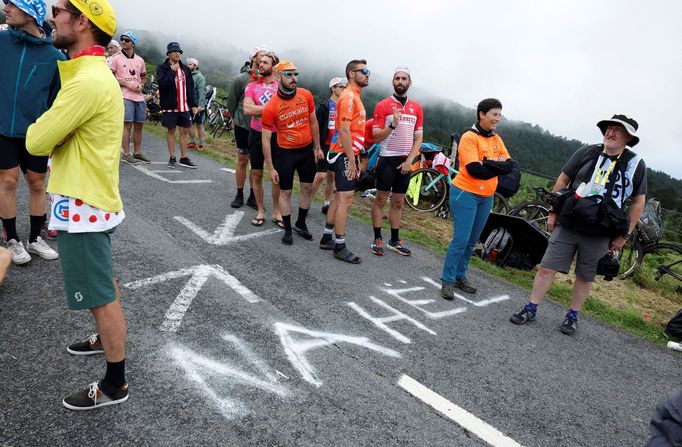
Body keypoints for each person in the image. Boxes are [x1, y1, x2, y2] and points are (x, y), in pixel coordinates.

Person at [26, 0, 129, 410]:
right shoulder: (90, 72)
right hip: (92, 197)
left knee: (100, 294)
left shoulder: (87, 80)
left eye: (59, 9)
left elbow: (35, 140)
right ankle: (103, 338)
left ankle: (115, 384)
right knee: (103, 285)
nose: (52, 14)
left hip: (83, 204)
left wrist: (52, 131)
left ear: (82, 21)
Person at [510, 114, 646, 335]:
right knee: (547, 267)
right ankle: (531, 308)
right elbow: (563, 180)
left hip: (602, 229)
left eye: (617, 131)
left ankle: (572, 316)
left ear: (628, 138)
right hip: (570, 220)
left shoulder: (635, 164)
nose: (610, 133)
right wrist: (553, 212)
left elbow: (638, 202)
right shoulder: (586, 152)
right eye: (609, 129)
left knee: (585, 275)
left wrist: (625, 235)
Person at [0, 0, 63, 265]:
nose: (6, 9)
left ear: (31, 13)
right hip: (2, 128)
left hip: (36, 133)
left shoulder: (55, 57)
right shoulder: (1, 41)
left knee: (37, 184)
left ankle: (35, 238)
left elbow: (56, 99)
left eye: (12, 5)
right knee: (8, 181)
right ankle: (12, 239)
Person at [440, 98, 514, 296]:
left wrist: (487, 163)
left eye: (499, 114)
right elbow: (474, 170)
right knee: (461, 239)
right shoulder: (469, 137)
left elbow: (510, 166)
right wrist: (493, 166)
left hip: (486, 196)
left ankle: (459, 276)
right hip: (466, 193)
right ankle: (447, 279)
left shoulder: (496, 139)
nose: (498, 119)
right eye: (494, 114)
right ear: (482, 114)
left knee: (473, 241)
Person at [261, 61, 323, 245]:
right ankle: (287, 229)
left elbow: (313, 122)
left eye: (295, 74)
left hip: (305, 151)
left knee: (306, 188)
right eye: (289, 74)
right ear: (278, 76)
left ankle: (301, 224)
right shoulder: (271, 106)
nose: (294, 78)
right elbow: (265, 139)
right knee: (286, 192)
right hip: (285, 153)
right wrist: (271, 168)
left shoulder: (306, 95)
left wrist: (317, 147)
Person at [318, 59, 370, 264]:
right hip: (344, 154)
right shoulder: (349, 96)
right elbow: (345, 129)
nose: (367, 74)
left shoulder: (354, 95)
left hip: (346, 152)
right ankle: (340, 245)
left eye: (368, 71)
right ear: (351, 74)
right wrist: (352, 159)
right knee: (346, 199)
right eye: (363, 71)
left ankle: (326, 237)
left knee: (340, 197)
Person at [370, 66, 424, 257]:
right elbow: (375, 137)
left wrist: (410, 160)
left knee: (399, 202)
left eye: (404, 79)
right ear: (393, 82)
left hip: (406, 162)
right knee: (381, 199)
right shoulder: (383, 105)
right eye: (397, 79)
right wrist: (392, 124)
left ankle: (394, 240)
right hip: (387, 159)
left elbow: (418, 138)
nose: (400, 82)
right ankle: (377, 238)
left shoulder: (416, 108)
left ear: (410, 82)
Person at [243, 51, 282, 227]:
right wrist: (271, 108)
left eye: (265, 63)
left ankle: (277, 211)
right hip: (256, 133)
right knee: (256, 173)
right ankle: (260, 210)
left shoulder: (280, 87)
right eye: (260, 62)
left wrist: (258, 108)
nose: (261, 65)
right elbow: (247, 110)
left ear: (274, 67)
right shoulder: (252, 86)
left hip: (276, 135)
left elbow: (283, 110)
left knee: (277, 175)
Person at [226, 47, 265, 210]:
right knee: (242, 160)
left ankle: (253, 196)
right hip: (243, 126)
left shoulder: (268, 81)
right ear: (254, 58)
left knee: (257, 165)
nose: (264, 58)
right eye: (261, 55)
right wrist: (236, 120)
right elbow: (231, 103)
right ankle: (239, 193)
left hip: (261, 129)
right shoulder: (241, 79)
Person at [109, 30, 150, 164]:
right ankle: (126, 154)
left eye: (126, 40)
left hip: (138, 97)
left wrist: (141, 85)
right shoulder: (116, 58)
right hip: (124, 95)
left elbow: (144, 78)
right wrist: (126, 83)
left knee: (139, 125)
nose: (123, 42)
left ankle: (137, 152)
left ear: (133, 43)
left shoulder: (140, 60)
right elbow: (111, 76)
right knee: (127, 125)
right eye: (122, 39)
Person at [157, 41, 198, 169]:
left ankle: (184, 157)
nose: (177, 53)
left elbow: (191, 87)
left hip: (184, 105)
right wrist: (171, 71)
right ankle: (172, 157)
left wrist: (194, 104)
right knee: (171, 130)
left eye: (179, 51)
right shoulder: (162, 68)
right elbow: (162, 85)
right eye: (174, 51)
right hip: (170, 105)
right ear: (169, 53)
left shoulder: (185, 69)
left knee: (184, 131)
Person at [312, 77, 346, 214]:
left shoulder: (345, 107)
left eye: (345, 87)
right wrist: (317, 147)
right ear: (333, 88)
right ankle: (307, 201)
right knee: (320, 175)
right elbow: (316, 128)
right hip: (325, 145)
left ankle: (326, 203)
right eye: (341, 87)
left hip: (338, 147)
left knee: (332, 176)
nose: (344, 89)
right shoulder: (324, 107)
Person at [186, 57, 206, 151]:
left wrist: (201, 106)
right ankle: (192, 142)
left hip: (198, 105)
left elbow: (202, 91)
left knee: (199, 124)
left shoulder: (200, 77)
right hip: (188, 104)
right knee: (189, 123)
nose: (188, 65)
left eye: (190, 64)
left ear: (195, 66)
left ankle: (201, 144)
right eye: (188, 64)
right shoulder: (187, 74)